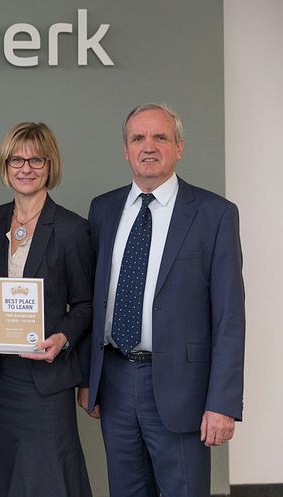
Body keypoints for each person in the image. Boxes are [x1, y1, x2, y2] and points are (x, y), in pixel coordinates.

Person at [80, 103, 245, 497]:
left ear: (179, 147)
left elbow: (229, 316)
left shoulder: (214, 213)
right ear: (125, 149)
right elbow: (92, 299)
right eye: (138, 138)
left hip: (182, 390)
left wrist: (222, 402)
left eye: (160, 137)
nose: (148, 146)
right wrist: (89, 379)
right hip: (116, 383)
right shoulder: (102, 210)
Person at [0, 122, 94, 497]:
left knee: (46, 480)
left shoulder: (72, 228)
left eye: (36, 159)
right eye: (16, 159)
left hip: (46, 379)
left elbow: (85, 303)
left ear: (50, 166)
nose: (26, 167)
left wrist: (63, 338)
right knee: (0, 478)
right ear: (5, 166)